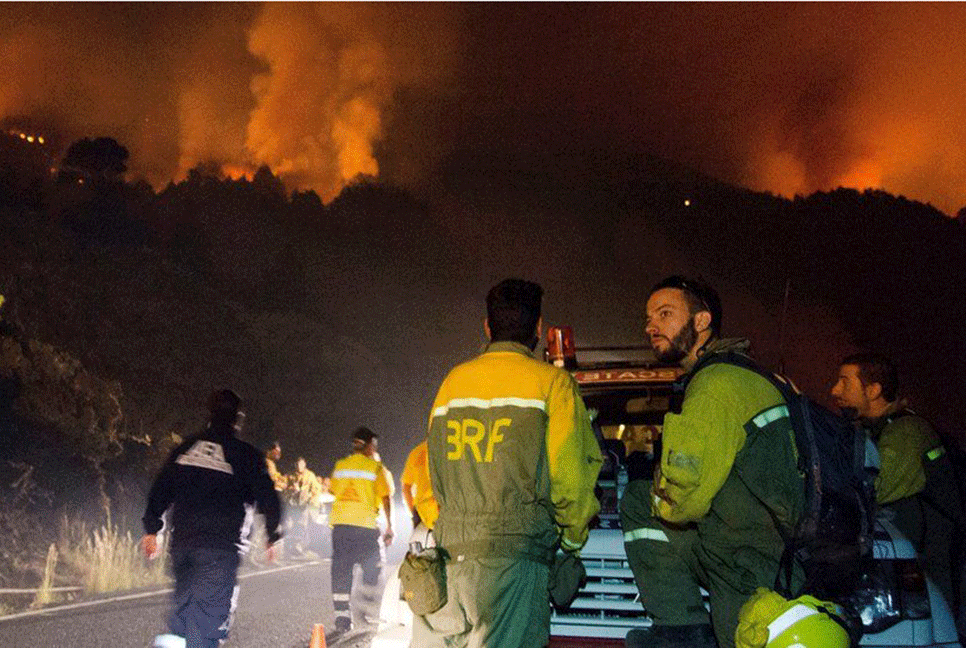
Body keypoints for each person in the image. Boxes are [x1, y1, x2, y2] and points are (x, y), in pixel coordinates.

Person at [414, 278, 603, 648]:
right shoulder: (552, 384)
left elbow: (427, 474)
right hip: (514, 565)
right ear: (538, 328)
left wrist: (449, 527)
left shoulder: (453, 382)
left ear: (487, 327)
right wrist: (572, 540)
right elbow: (571, 481)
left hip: (448, 561)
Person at [622, 276, 804, 648]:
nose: (651, 326)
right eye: (648, 317)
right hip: (782, 546)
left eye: (665, 313)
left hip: (747, 563)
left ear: (702, 322)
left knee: (639, 501)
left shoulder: (713, 386)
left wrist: (652, 481)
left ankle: (682, 632)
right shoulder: (748, 373)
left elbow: (681, 501)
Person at [832, 353, 964, 634]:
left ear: (874, 389)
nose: (835, 390)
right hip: (912, 569)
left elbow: (873, 487)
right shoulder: (873, 430)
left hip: (931, 572)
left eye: (845, 382)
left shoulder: (907, 432)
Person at [142, 389, 282, 648]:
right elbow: (267, 496)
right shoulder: (246, 455)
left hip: (183, 546)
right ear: (238, 419)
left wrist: (152, 530)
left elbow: (161, 488)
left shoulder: (185, 448)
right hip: (220, 549)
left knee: (183, 617)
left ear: (209, 414)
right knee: (207, 627)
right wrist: (272, 534)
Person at [328, 426, 394, 639]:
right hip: (365, 528)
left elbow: (334, 490)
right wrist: (390, 526)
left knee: (341, 573)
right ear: (370, 446)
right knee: (374, 569)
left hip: (340, 528)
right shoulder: (376, 467)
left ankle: (342, 620)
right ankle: (364, 608)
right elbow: (386, 497)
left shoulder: (340, 466)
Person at [400, 438, 439, 551]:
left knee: (420, 558)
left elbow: (406, 487)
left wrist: (414, 511)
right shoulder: (452, 451)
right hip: (446, 511)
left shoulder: (416, 452)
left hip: (422, 514)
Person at [287, 456, 323, 556]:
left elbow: (316, 489)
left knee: (302, 525)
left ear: (305, 465)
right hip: (293, 504)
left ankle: (299, 547)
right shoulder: (291, 475)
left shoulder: (310, 475)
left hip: (305, 504)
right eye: (298, 464)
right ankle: (292, 547)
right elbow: (285, 486)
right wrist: (291, 489)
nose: (299, 466)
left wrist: (310, 498)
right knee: (290, 525)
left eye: (301, 464)